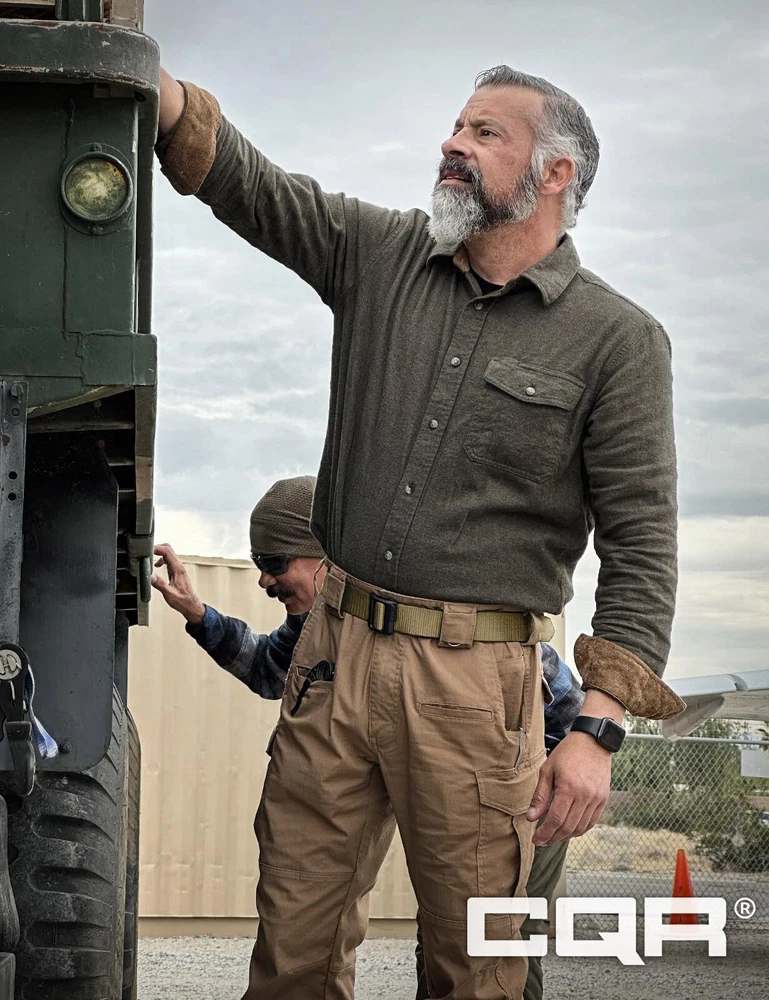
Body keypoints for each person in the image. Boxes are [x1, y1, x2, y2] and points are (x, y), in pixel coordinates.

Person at [154, 62, 684, 1000]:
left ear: (554, 173)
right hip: (334, 657)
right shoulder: (380, 254)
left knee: (474, 968)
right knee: (292, 953)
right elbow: (252, 186)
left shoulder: (616, 341)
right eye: (455, 126)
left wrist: (595, 731)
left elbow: (641, 547)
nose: (452, 143)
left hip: (476, 688)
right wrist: (153, 89)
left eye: (485, 133)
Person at [151, 475, 584, 1000]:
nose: (264, 580)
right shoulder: (321, 627)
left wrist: (548, 777)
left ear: (325, 557)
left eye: (274, 561)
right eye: (258, 562)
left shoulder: (445, 627)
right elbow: (268, 667)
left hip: (529, 804)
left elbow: (561, 700)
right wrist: (197, 614)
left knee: (486, 942)